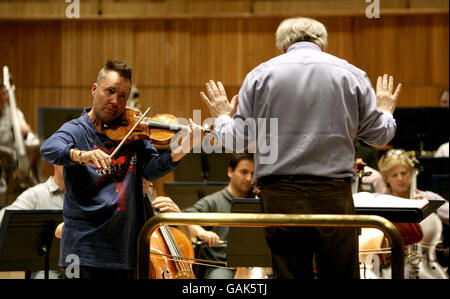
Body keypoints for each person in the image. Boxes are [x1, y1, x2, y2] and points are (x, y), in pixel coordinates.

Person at [200, 17, 402, 279]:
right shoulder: (351, 74)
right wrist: (385, 111)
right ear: (322, 42)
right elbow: (379, 135)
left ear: (283, 45)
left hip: (280, 194)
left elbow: (237, 140)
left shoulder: (260, 76)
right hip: (332, 194)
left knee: (290, 275)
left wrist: (221, 116)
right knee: (340, 275)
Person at [40, 59, 203, 279]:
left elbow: (152, 170)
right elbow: (49, 148)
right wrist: (81, 155)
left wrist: (184, 147)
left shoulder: (134, 133)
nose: (116, 101)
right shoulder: (77, 131)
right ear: (94, 89)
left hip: (125, 250)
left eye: (123, 96)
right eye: (110, 91)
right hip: (82, 249)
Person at [378, 149, 449, 278]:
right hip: (393, 266)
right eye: (394, 175)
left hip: (428, 265)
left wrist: (432, 208)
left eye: (404, 173)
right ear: (386, 179)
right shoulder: (380, 202)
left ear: (411, 173)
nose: (400, 178)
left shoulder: (427, 197)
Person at [0, 164, 65, 279]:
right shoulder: (36, 194)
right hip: (47, 268)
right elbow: (4, 217)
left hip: (80, 262)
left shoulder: (84, 195)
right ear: (56, 162)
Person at [0, 83, 40, 205]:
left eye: (4, 94)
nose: (3, 98)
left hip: (10, 159)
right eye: (0, 95)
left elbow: (31, 137)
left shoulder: (14, 113)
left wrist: (25, 132)